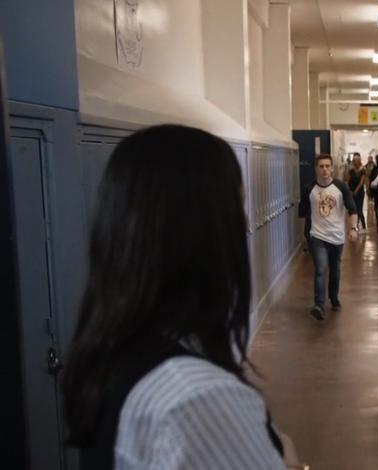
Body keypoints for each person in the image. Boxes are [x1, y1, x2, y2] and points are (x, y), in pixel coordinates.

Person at [61, 125, 289, 469]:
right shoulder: (197, 397)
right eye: (237, 204)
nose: (243, 221)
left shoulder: (114, 356)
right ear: (201, 230)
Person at [305, 154, 359, 320]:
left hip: (336, 237)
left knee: (334, 269)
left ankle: (334, 299)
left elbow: (353, 210)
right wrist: (306, 235)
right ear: (316, 169)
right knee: (321, 269)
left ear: (332, 168)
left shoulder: (340, 187)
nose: (324, 170)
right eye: (321, 166)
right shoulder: (309, 189)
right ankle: (319, 305)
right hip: (317, 236)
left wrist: (353, 228)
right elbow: (304, 213)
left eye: (327, 166)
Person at [346, 153, 367, 229]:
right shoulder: (351, 170)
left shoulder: (363, 170)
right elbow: (347, 181)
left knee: (359, 210)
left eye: (357, 160)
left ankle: (364, 226)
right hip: (352, 192)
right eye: (354, 160)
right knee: (353, 209)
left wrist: (356, 191)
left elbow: (361, 182)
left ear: (359, 161)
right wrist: (349, 191)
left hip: (360, 192)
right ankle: (355, 225)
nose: (355, 162)